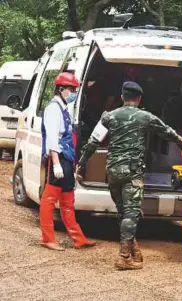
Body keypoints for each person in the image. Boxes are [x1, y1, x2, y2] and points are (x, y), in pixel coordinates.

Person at [77, 81, 182, 270]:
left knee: (124, 213)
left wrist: (81, 165)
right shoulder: (145, 117)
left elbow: (92, 142)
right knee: (131, 214)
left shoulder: (108, 116)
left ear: (122, 97)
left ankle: (134, 250)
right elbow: (167, 132)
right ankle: (123, 257)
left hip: (113, 171)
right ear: (139, 98)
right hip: (132, 173)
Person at [40, 72, 97, 251]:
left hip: (67, 159)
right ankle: (48, 238)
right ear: (61, 89)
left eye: (74, 89)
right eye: (71, 89)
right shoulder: (53, 109)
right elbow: (52, 138)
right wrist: (56, 163)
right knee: (49, 199)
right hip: (59, 158)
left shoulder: (63, 108)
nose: (73, 93)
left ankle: (78, 238)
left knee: (67, 200)